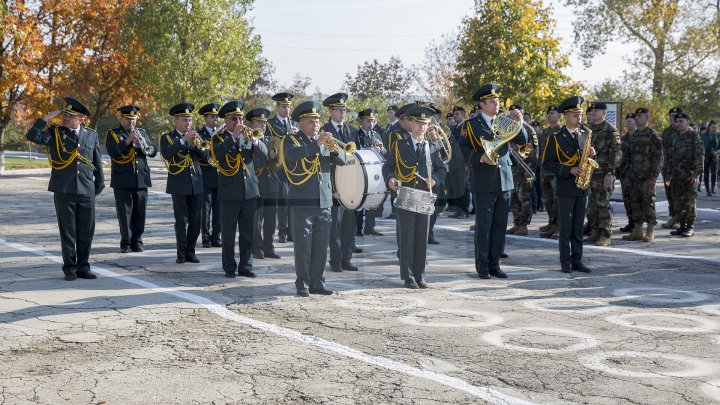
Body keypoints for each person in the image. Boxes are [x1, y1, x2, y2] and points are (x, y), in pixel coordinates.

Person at [25, 97, 105, 281]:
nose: (66, 118)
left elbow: (96, 161)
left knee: (86, 231)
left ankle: (83, 267)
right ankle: (69, 268)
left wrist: (99, 183)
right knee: (68, 230)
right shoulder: (55, 133)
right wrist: (44, 119)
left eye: (70, 116)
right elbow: (32, 136)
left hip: (86, 188)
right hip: (64, 188)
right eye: (65, 115)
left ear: (81, 119)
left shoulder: (91, 134)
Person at [458, 84, 528, 279]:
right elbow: (461, 149)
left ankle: (495, 264)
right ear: (482, 104)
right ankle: (482, 267)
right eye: (492, 101)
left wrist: (519, 121)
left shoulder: (506, 120)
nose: (496, 103)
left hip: (504, 179)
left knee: (499, 226)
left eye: (497, 100)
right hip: (483, 180)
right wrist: (480, 157)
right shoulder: (470, 125)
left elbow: (523, 139)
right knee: (484, 227)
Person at [283, 101, 347, 296]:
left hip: (324, 199)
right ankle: (302, 283)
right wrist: (315, 144)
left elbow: (343, 160)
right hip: (302, 199)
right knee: (303, 245)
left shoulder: (324, 141)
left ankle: (317, 283)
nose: (315, 125)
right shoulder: (292, 140)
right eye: (311, 121)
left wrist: (334, 148)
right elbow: (292, 156)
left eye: (317, 121)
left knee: (321, 245)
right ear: (301, 123)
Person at [383, 106, 447, 289]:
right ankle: (408, 276)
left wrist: (434, 180)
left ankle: (420, 275)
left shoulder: (432, 147)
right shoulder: (399, 145)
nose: (422, 127)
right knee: (406, 237)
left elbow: (441, 170)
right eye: (419, 123)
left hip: (424, 197)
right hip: (405, 195)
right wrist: (390, 179)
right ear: (410, 123)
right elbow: (387, 167)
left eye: (425, 124)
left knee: (421, 237)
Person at [211, 100, 268, 278]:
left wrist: (256, 142)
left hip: (250, 191)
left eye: (240, 119)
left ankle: (246, 265)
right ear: (226, 121)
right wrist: (234, 137)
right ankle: (229, 266)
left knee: (248, 233)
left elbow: (265, 156)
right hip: (229, 192)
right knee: (228, 234)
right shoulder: (218, 138)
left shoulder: (250, 137)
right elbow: (218, 154)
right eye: (234, 119)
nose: (238, 122)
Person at [541, 96, 595, 273]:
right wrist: (568, 170)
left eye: (580, 115)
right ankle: (565, 262)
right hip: (565, 187)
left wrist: (591, 155)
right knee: (565, 228)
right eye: (574, 115)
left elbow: (585, 159)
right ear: (566, 116)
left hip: (582, 187)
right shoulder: (555, 138)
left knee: (578, 227)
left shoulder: (585, 135)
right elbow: (547, 163)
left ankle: (577, 260)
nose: (578, 118)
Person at [105, 105, 157, 253]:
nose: (131, 122)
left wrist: (144, 144)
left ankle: (137, 241)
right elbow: (113, 152)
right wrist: (127, 141)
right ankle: (126, 242)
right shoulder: (113, 134)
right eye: (128, 119)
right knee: (125, 213)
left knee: (140, 212)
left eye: (133, 120)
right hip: (123, 179)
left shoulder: (142, 133)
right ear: (121, 118)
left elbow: (152, 151)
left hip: (141, 179)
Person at [160, 103, 205, 264]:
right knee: (181, 220)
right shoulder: (168, 137)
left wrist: (198, 146)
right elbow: (166, 154)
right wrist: (182, 140)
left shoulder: (197, 136)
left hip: (196, 183)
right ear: (176, 121)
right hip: (178, 184)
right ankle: (181, 252)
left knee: (196, 220)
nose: (188, 123)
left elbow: (206, 157)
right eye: (185, 120)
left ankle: (191, 251)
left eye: (190, 120)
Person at [322, 92, 361, 272]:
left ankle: (347, 258)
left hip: (351, 181)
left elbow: (357, 154)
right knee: (335, 225)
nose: (342, 112)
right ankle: (336, 260)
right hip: (334, 180)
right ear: (330, 111)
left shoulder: (352, 131)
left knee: (349, 223)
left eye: (344, 109)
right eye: (338, 110)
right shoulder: (324, 130)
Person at [621, 108, 663, 242]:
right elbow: (628, 157)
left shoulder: (653, 136)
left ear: (647, 118)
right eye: (636, 116)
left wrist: (653, 177)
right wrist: (627, 174)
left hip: (647, 177)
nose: (637, 118)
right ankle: (637, 230)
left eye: (639, 116)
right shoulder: (633, 136)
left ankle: (650, 231)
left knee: (648, 203)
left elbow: (659, 158)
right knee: (635, 203)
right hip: (633, 176)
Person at [584, 102, 622, 246]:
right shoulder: (589, 130)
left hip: (603, 174)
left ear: (604, 113)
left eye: (596, 111)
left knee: (602, 204)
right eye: (592, 111)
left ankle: (606, 234)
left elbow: (616, 154)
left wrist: (610, 173)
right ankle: (595, 232)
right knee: (592, 206)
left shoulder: (611, 130)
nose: (593, 113)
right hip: (590, 173)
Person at [249, 107, 282, 260]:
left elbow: (278, 162)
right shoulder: (248, 141)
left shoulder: (270, 140)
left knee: (270, 220)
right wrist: (267, 158)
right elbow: (248, 163)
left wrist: (275, 158)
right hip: (257, 184)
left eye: (264, 122)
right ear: (252, 123)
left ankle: (269, 248)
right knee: (256, 221)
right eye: (259, 122)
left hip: (272, 184)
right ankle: (256, 248)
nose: (263, 125)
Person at [667, 112, 704, 237]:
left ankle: (690, 227)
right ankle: (682, 226)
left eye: (681, 121)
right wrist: (668, 173)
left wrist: (696, 173)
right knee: (677, 202)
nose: (678, 124)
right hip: (676, 175)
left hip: (689, 176)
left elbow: (699, 156)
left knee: (689, 202)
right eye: (677, 121)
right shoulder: (674, 136)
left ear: (688, 121)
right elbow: (670, 157)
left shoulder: (694, 137)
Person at [267, 92, 295, 243]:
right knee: (283, 201)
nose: (287, 109)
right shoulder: (270, 124)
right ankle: (283, 231)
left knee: (292, 200)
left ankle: (292, 230)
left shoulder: (294, 124)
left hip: (293, 167)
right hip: (279, 167)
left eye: (289, 106)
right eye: (284, 106)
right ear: (277, 107)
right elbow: (269, 143)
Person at [506, 104, 538, 236]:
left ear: (522, 113)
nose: (513, 115)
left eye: (516, 113)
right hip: (511, 170)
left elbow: (533, 151)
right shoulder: (508, 129)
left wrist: (528, 167)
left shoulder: (528, 129)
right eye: (511, 113)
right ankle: (517, 223)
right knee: (513, 198)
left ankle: (524, 225)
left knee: (524, 198)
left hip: (524, 169)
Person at [356, 108, 386, 236]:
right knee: (360, 200)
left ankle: (370, 226)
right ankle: (357, 229)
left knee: (373, 198)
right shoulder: (356, 134)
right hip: (361, 171)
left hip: (374, 170)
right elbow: (356, 151)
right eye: (368, 121)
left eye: (373, 121)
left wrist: (381, 148)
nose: (371, 124)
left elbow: (384, 153)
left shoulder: (377, 135)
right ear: (361, 121)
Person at [196, 102, 222, 248]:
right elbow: (203, 155)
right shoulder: (200, 135)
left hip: (220, 176)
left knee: (219, 210)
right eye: (212, 117)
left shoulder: (222, 134)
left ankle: (216, 237)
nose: (215, 119)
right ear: (205, 118)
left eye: (216, 116)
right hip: (206, 176)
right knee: (205, 209)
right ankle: (205, 237)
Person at [538, 106, 561, 239]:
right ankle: (552, 224)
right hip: (544, 171)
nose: (549, 115)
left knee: (558, 199)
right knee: (548, 200)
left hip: (556, 172)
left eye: (552, 113)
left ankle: (560, 226)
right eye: (548, 113)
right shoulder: (544, 133)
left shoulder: (562, 131)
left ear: (559, 116)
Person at [660, 107, 682, 229]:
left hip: (680, 169)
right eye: (671, 115)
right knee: (670, 193)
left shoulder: (684, 131)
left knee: (679, 195)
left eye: (676, 115)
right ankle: (673, 216)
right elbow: (663, 150)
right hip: (668, 169)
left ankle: (680, 219)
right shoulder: (667, 131)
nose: (673, 117)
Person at [447, 106, 470, 219]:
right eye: (454, 114)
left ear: (463, 115)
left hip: (462, 162)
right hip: (453, 162)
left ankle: (464, 210)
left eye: (457, 114)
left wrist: (467, 162)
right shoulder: (453, 128)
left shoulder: (466, 127)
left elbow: (467, 146)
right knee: (456, 187)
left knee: (463, 187)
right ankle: (458, 208)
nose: (455, 116)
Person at [618, 113, 637, 233]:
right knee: (627, 199)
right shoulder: (623, 139)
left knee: (636, 200)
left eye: (631, 121)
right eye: (627, 121)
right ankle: (630, 222)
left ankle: (637, 224)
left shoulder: (640, 137)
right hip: (625, 174)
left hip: (637, 175)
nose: (629, 123)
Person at [701, 121, 718, 196]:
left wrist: (717, 152)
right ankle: (707, 190)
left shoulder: (717, 136)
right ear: (709, 127)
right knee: (706, 173)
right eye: (712, 127)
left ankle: (712, 188)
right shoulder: (703, 135)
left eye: (715, 127)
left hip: (714, 156)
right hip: (705, 156)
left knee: (714, 173)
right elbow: (700, 145)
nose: (714, 129)